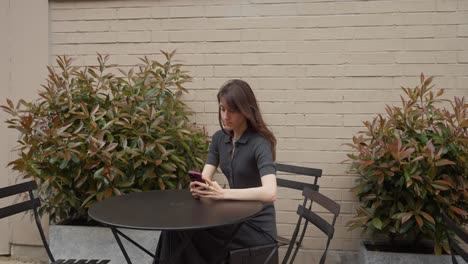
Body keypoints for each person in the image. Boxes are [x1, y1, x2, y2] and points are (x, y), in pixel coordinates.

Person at [155, 79, 278, 264]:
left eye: (232, 110)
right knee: (174, 229)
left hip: (256, 227)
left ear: (246, 111)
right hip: (234, 217)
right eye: (222, 109)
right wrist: (199, 186)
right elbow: (205, 177)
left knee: (187, 234)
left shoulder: (259, 143)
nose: (225, 116)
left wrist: (222, 193)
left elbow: (270, 192)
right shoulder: (220, 139)